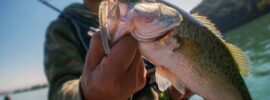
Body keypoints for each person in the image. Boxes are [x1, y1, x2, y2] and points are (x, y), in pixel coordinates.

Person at [44, 0, 190, 100]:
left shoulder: (143, 10)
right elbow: (59, 89)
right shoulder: (63, 28)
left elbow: (158, 86)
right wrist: (90, 94)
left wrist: (173, 93)